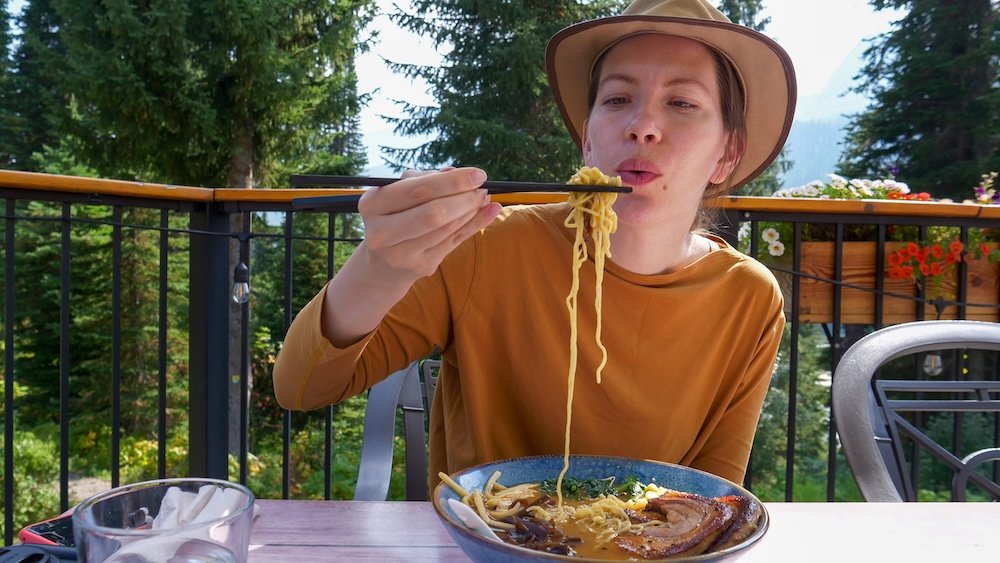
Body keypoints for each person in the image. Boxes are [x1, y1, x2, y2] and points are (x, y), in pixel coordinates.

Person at [273, 0, 796, 489]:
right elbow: (301, 388)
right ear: (588, 137)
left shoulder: (748, 298)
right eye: (617, 99)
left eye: (682, 103)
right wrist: (379, 268)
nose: (642, 127)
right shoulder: (485, 246)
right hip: (485, 540)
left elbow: (713, 495)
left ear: (728, 153)